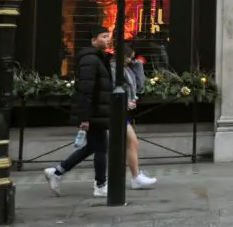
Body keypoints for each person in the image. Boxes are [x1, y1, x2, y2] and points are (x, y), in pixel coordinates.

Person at [44, 26, 113, 197]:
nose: (107, 40)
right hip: (94, 112)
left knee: (92, 146)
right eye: (104, 36)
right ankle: (100, 184)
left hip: (97, 111)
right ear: (94, 40)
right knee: (101, 148)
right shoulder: (90, 59)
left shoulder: (98, 58)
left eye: (108, 36)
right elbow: (85, 90)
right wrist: (84, 117)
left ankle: (57, 171)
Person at [112, 46, 157, 190]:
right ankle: (135, 177)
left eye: (132, 57)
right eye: (129, 57)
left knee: (130, 143)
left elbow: (140, 86)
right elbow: (113, 89)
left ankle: (135, 177)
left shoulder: (127, 68)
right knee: (130, 142)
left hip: (122, 111)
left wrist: (138, 65)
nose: (131, 60)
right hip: (116, 111)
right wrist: (125, 102)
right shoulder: (114, 69)